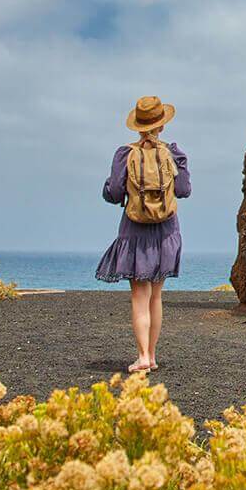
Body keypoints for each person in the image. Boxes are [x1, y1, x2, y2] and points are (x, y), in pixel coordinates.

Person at [96, 96, 191, 373]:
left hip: (135, 229)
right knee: (156, 296)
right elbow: (184, 191)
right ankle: (152, 354)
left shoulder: (125, 154)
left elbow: (113, 194)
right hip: (166, 230)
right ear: (162, 125)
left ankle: (143, 358)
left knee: (139, 296)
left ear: (138, 126)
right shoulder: (174, 153)